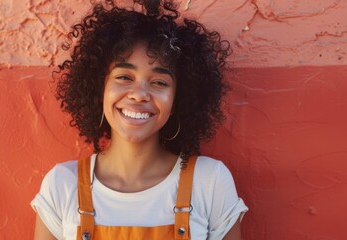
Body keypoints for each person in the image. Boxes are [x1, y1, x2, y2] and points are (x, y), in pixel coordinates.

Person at [31, 0, 248, 239]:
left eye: (159, 82)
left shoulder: (210, 181)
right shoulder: (62, 185)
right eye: (124, 76)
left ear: (178, 99)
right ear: (98, 88)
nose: (139, 94)